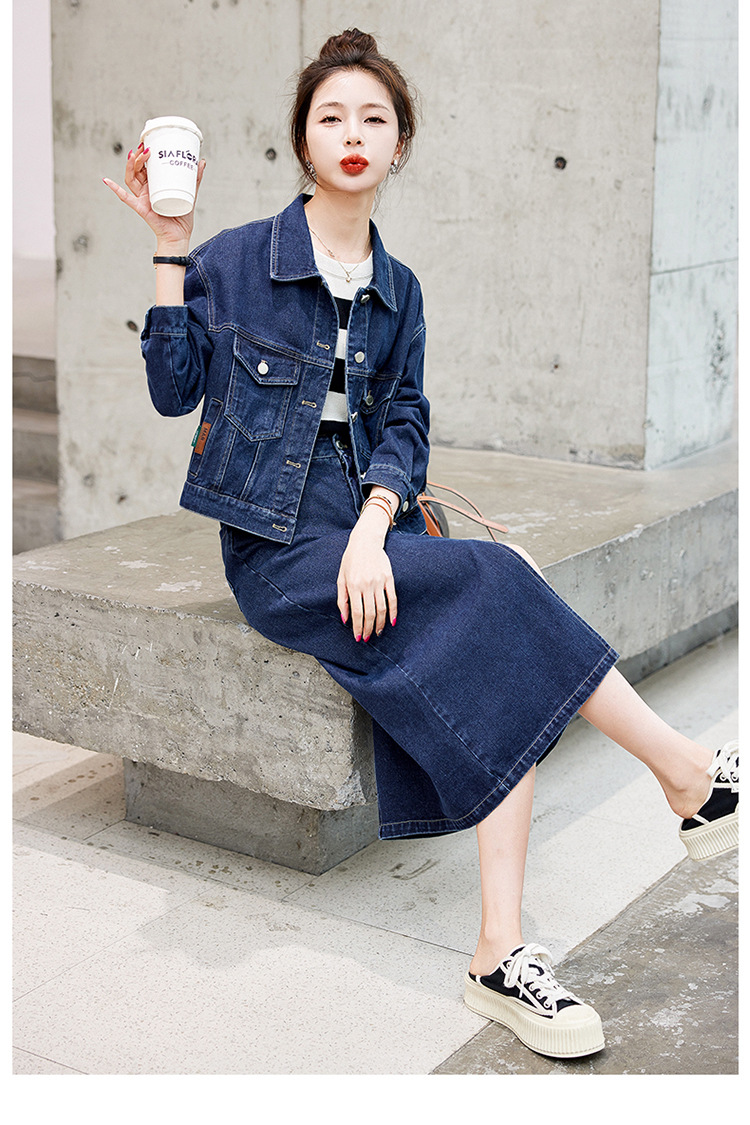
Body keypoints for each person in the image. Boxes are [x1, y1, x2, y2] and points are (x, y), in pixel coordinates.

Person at [104, 28, 738, 1061]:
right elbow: (174, 392)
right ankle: (684, 775)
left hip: (365, 525)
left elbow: (404, 425)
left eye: (374, 118)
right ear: (303, 142)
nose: (352, 133)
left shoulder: (399, 290)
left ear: (399, 145)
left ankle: (502, 951)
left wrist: (373, 529)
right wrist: (170, 244)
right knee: (499, 582)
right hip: (275, 546)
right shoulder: (234, 261)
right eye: (331, 117)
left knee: (501, 621)